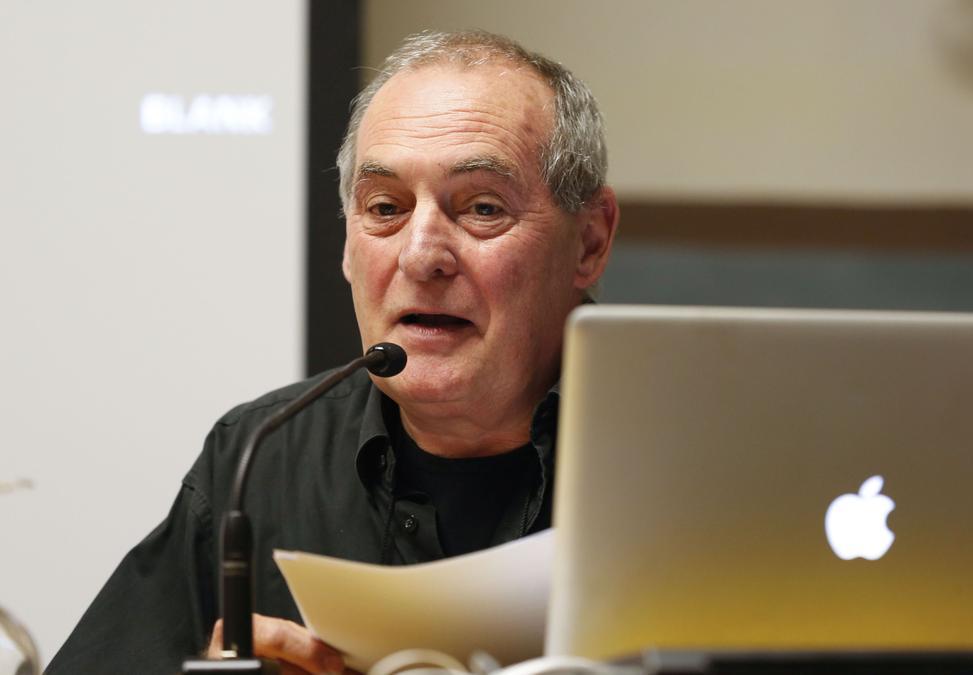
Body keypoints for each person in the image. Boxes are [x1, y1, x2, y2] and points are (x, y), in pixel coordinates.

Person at [46, 30, 619, 674]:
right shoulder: (259, 457)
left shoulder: (696, 453)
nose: (421, 254)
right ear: (347, 246)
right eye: (384, 208)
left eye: (482, 207)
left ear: (590, 242)